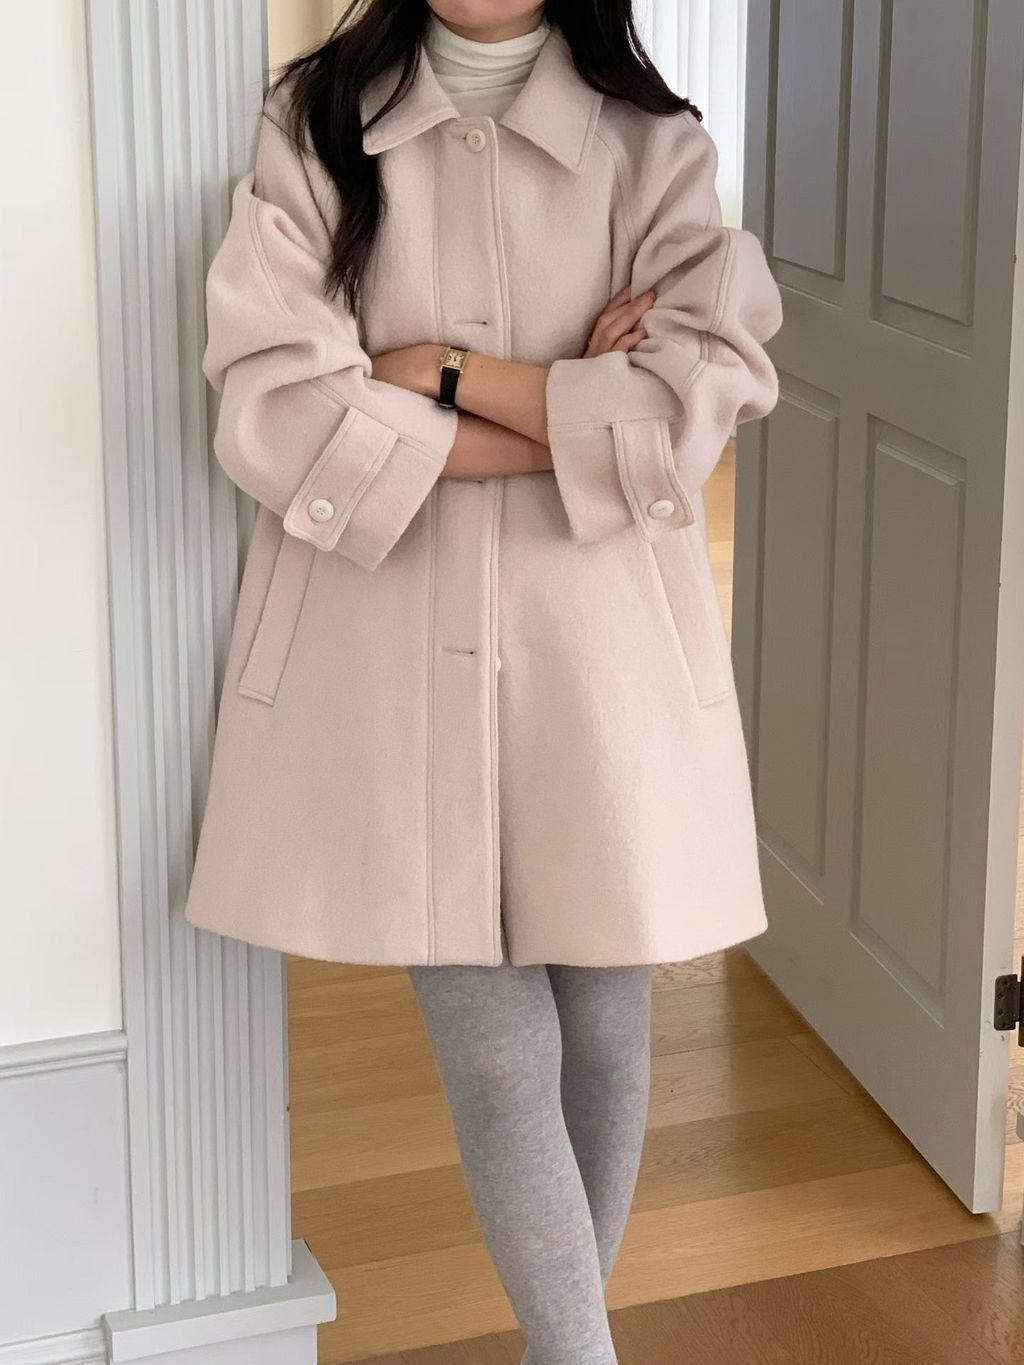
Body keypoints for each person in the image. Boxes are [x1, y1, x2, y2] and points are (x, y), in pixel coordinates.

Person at [184, 2, 783, 1360]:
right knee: (497, 1052)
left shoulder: (654, 144)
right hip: (383, 640)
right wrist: (570, 404)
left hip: (599, 646)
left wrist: (435, 375)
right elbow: (280, 406)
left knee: (607, 1029)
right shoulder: (315, 125)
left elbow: (693, 399)